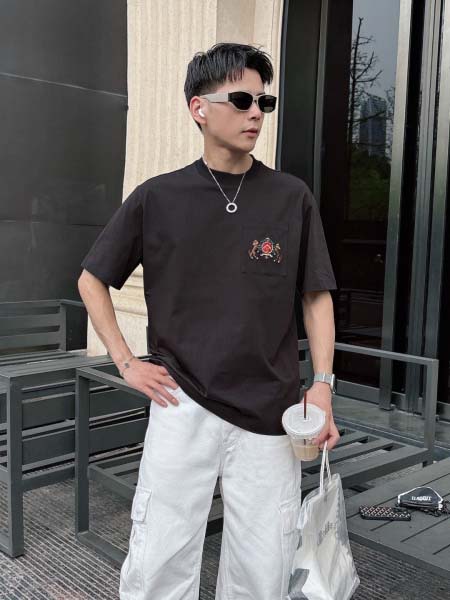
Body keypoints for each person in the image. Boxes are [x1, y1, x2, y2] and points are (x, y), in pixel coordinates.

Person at [78, 42, 339, 600]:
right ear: (199, 108)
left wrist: (322, 384)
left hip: (271, 410)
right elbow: (91, 279)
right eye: (242, 100)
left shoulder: (291, 197)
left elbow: (316, 296)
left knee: (264, 564)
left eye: (264, 102)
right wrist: (126, 363)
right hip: (181, 400)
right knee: (160, 556)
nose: (256, 113)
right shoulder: (158, 197)